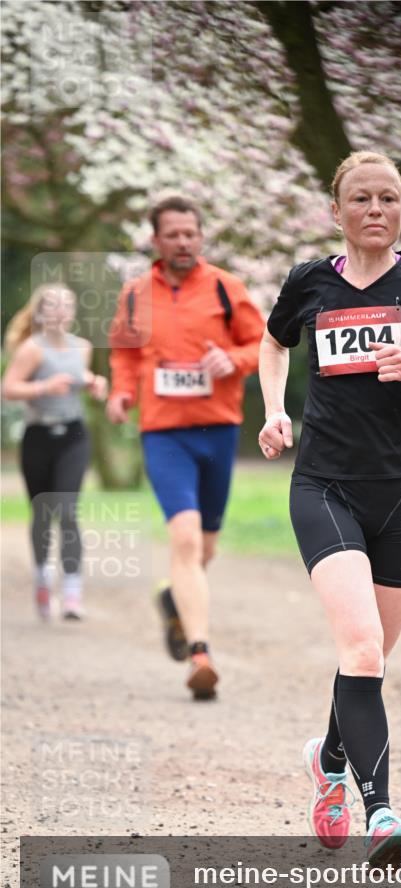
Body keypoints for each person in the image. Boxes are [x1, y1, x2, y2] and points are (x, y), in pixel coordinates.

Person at [258, 151, 401, 867]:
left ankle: (328, 761)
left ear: (400, 209)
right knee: (360, 648)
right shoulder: (309, 282)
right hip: (325, 486)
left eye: (387, 198)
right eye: (360, 198)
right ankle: (381, 812)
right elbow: (273, 343)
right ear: (336, 212)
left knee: (368, 661)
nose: (375, 210)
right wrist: (274, 409)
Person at [106, 195, 265, 700]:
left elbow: (263, 345)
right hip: (164, 433)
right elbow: (125, 354)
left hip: (217, 430)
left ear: (201, 237)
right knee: (187, 541)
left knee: (205, 548)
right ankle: (200, 654)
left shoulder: (225, 288)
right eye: (172, 234)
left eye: (190, 233)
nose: (182, 242)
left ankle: (173, 599)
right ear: (156, 240)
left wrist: (233, 360)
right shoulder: (135, 295)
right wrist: (121, 392)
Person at [2, 283, 107, 620]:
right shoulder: (32, 349)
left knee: (68, 509)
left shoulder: (83, 347)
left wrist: (94, 383)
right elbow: (8, 389)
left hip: (73, 436)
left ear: (74, 311)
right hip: (38, 437)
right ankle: (43, 579)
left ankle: (73, 593)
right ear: (40, 313)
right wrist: (44, 386)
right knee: (42, 513)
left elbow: (79, 377)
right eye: (52, 306)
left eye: (66, 305)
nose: (60, 312)